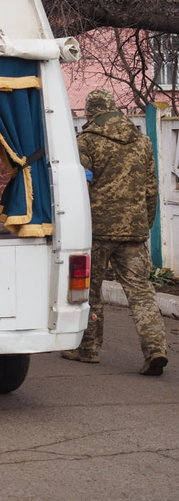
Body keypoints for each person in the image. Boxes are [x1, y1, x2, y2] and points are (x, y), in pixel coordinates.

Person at [61, 89, 169, 376]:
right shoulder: (142, 141)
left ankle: (88, 348)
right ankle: (155, 348)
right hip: (133, 230)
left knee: (90, 291)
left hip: (96, 229)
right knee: (142, 291)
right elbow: (151, 187)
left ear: (91, 113)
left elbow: (77, 187)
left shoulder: (85, 141)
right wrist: (145, 222)